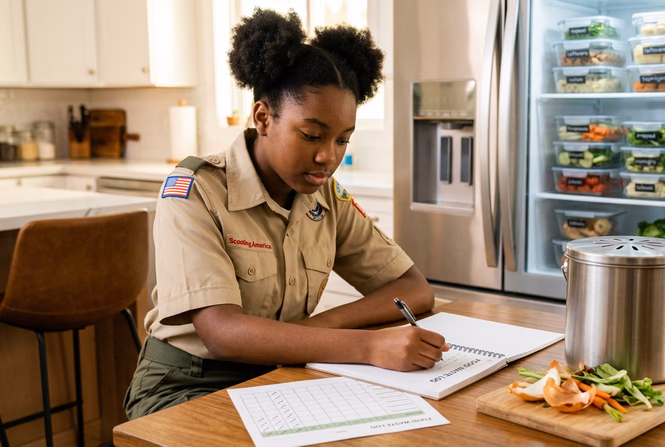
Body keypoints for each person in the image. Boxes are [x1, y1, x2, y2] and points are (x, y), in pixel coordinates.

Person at [124, 8, 448, 419]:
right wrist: (367, 346)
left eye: (342, 139)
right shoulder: (194, 192)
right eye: (311, 135)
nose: (328, 156)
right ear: (263, 118)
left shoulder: (326, 196)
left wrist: (310, 333)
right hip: (188, 384)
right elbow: (222, 334)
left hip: (281, 370)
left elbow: (414, 289)